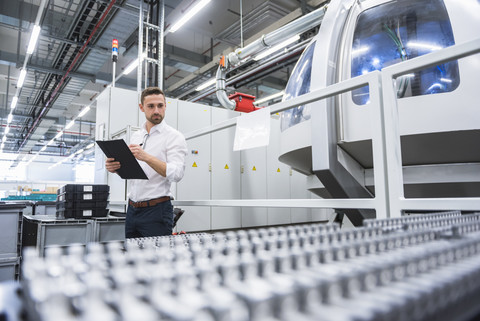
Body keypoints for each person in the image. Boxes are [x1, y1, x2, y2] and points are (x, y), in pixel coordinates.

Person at [105, 87, 187, 238]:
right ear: (141, 108)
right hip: (132, 209)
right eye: (151, 106)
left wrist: (146, 157)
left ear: (165, 106)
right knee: (133, 257)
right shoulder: (137, 136)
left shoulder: (174, 137)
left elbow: (177, 173)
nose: (156, 110)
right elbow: (134, 171)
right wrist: (115, 168)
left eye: (160, 105)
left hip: (157, 211)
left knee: (157, 259)